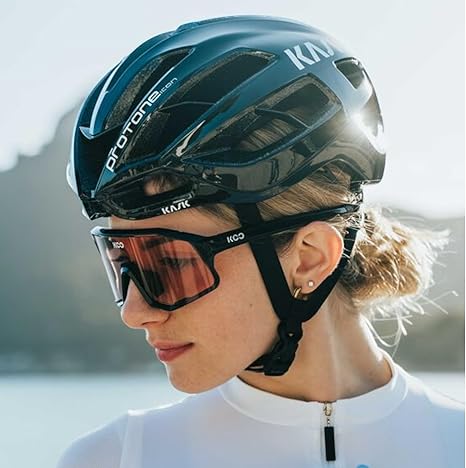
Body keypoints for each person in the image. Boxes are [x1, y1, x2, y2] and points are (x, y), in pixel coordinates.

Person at [58, 15, 464, 468]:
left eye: (170, 263)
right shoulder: (112, 459)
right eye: (121, 263)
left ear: (310, 259)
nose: (134, 313)